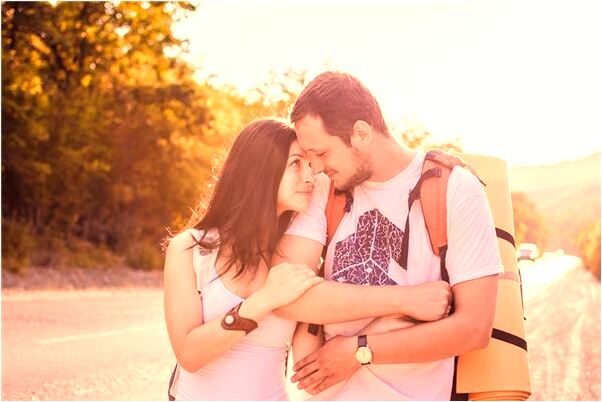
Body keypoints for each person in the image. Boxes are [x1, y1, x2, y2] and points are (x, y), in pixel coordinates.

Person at [163, 118, 452, 400]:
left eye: (309, 165)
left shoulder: (294, 261)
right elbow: (189, 354)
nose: (310, 177)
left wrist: (384, 324)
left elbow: (311, 370)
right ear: (260, 170)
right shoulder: (190, 249)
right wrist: (265, 300)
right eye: (296, 164)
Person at [272, 72, 503, 400]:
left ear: (361, 133)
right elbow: (286, 297)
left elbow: (473, 328)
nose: (317, 168)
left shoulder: (454, 188)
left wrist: (359, 351)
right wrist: (405, 301)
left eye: (322, 153)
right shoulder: (325, 189)